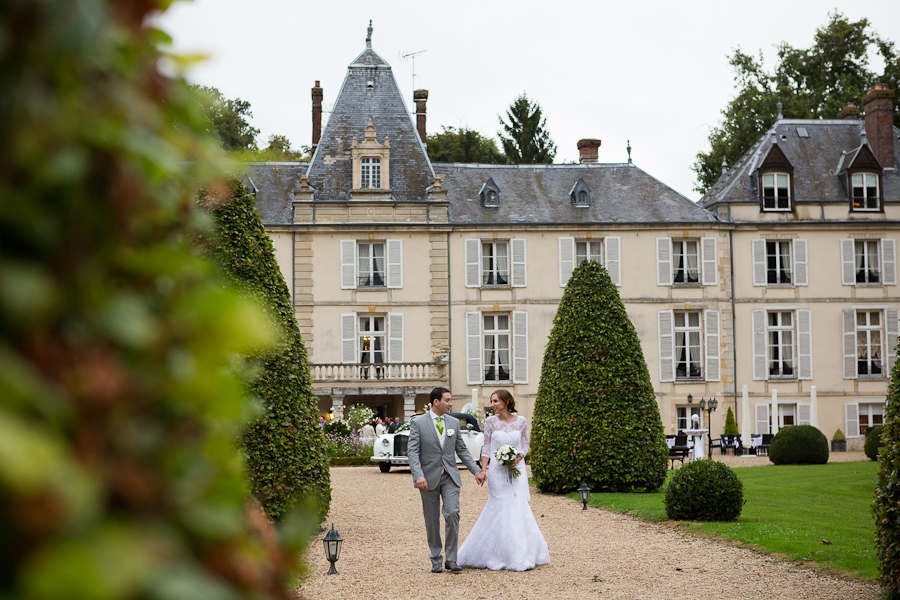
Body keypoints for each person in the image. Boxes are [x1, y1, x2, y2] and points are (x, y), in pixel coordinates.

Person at [457, 389, 549, 571]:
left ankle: (519, 554)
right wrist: (483, 470)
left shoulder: (521, 421)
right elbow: (486, 448)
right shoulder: (490, 422)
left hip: (517, 470)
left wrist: (518, 457)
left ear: (506, 402)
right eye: (491, 401)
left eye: (496, 401)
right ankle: (494, 552)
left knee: (517, 506)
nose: (492, 405)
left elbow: (526, 444)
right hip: (497, 472)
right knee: (498, 507)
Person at [407, 387, 486, 573]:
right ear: (436, 402)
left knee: (452, 513)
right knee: (432, 520)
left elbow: (462, 450)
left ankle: (451, 559)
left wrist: (476, 471)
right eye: (448, 400)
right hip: (427, 478)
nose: (451, 404)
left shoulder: (453, 422)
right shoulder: (418, 423)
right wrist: (418, 475)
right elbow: (412, 451)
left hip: (450, 476)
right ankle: (436, 558)